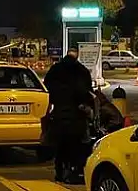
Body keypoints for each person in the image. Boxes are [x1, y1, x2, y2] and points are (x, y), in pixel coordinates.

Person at [42, 49, 94, 185]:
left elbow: (47, 86)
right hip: (76, 115)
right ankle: (73, 171)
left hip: (59, 113)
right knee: (77, 145)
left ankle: (59, 172)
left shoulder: (55, 69)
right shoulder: (81, 71)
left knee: (60, 146)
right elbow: (86, 91)